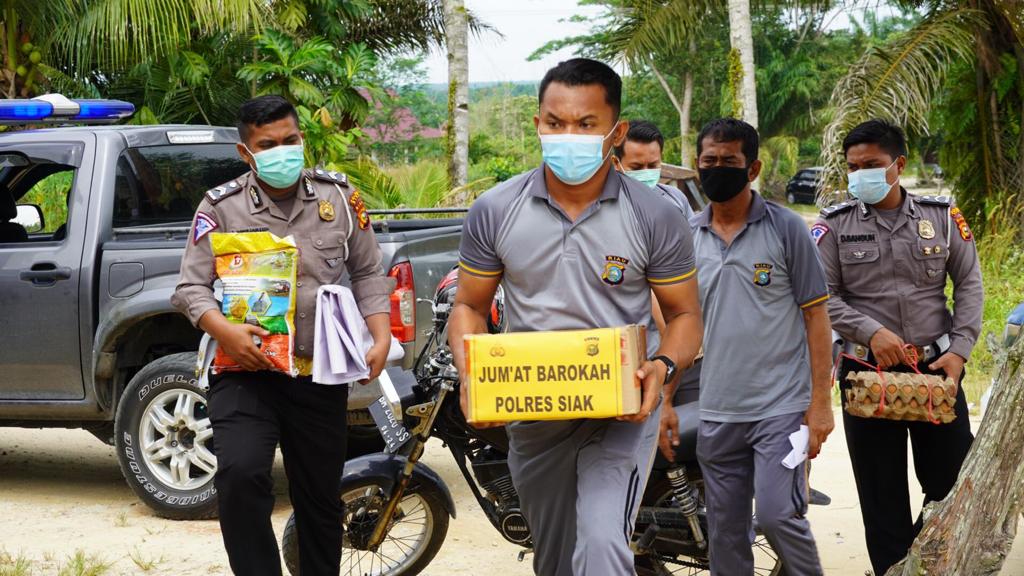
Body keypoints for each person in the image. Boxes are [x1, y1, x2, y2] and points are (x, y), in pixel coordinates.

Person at [447, 58, 703, 575]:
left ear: (616, 131)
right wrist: (471, 372)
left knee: (602, 545)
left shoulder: (654, 215)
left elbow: (684, 316)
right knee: (557, 558)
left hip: (621, 412)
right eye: (556, 122)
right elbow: (470, 306)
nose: (569, 135)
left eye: (586, 124)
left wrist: (662, 368)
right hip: (534, 412)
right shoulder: (496, 209)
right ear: (537, 124)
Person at [171, 95, 393, 576]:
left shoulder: (339, 198)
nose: (282, 151)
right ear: (245, 153)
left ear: (302, 138)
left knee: (319, 495)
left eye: (289, 141)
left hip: (318, 374)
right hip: (245, 373)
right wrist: (225, 331)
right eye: (267, 145)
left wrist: (379, 335)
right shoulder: (220, 207)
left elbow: (369, 271)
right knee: (240, 475)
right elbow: (190, 287)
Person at [814, 119, 982, 575]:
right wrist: (871, 332)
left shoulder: (941, 217)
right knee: (881, 494)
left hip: (937, 371)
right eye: (853, 167)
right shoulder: (834, 226)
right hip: (867, 378)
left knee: (950, 484)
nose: (860, 174)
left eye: (871, 165)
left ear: (899, 164)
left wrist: (960, 351)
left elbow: (969, 284)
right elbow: (820, 297)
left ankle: (932, 565)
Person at [689, 118, 833, 575]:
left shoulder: (787, 229)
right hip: (716, 409)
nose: (717, 169)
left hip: (780, 408)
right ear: (696, 166)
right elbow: (676, 321)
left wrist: (820, 406)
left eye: (728, 161)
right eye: (708, 160)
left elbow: (817, 318)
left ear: (752, 168)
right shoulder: (686, 235)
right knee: (726, 532)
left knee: (777, 516)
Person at [613, 119, 695, 220]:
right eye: (636, 167)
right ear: (616, 163)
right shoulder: (604, 208)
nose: (646, 172)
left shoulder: (676, 199)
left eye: (652, 165)